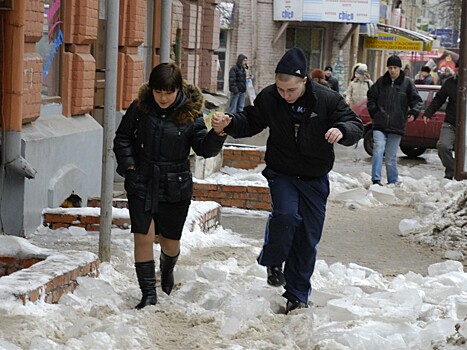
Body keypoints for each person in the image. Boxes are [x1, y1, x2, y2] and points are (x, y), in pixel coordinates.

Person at [212, 47, 363, 314]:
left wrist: (341, 130)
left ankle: (296, 294)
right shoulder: (271, 97)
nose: (286, 95)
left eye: (291, 90)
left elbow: (354, 123)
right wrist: (230, 121)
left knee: (307, 237)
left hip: (314, 177)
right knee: (286, 216)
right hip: (282, 172)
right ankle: (273, 259)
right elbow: (252, 120)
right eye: (281, 90)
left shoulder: (326, 100)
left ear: (304, 80)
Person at [113, 62, 227, 309]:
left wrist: (217, 133)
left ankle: (167, 268)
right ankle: (148, 295)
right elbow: (123, 138)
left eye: (168, 92)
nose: (163, 98)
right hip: (143, 180)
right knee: (143, 236)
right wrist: (130, 168)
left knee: (169, 242)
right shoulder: (140, 108)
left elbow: (203, 148)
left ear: (178, 90)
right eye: (158, 92)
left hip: (175, 185)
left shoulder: (190, 114)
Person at [367, 55, 423, 185]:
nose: (392, 70)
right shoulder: (381, 82)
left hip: (397, 125)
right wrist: (374, 112)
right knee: (378, 149)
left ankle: (392, 181)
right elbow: (371, 97)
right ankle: (376, 179)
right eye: (390, 67)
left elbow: (417, 100)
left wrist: (413, 112)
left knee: (391, 157)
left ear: (399, 68)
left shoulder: (407, 83)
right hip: (379, 124)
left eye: (395, 68)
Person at [423, 59, 459, 180]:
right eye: (458, 69)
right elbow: (439, 99)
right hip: (451, 122)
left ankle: (461, 175)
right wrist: (428, 113)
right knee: (443, 145)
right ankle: (452, 169)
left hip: (465, 125)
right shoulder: (450, 83)